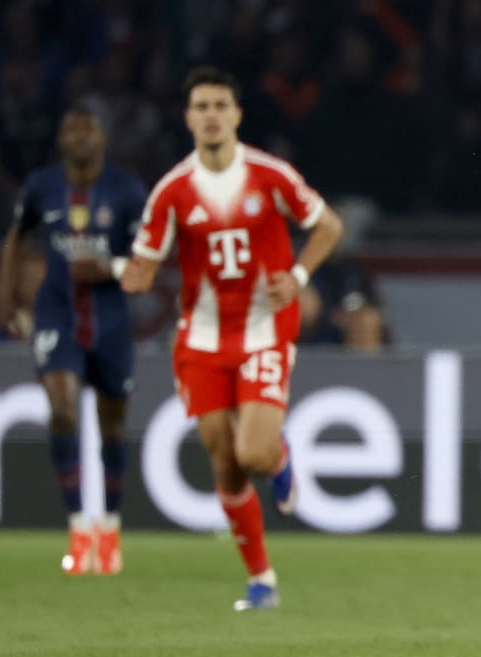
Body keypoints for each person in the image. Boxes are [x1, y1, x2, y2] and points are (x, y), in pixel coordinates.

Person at [121, 66, 343, 611]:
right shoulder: (172, 192)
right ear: (188, 117)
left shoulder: (269, 176)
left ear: (237, 115)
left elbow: (328, 226)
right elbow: (142, 270)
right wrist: (126, 274)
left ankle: (279, 453)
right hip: (200, 339)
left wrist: (297, 276)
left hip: (265, 329)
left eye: (221, 104)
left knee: (253, 451)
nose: (212, 114)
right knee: (223, 462)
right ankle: (261, 580)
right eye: (201, 106)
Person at [0, 105, 148, 576]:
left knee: (113, 428)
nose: (80, 137)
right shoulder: (42, 186)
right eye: (70, 129)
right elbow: (17, 237)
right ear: (60, 140)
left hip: (110, 319)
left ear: (103, 138)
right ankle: (80, 528)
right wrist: (5, 299)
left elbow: (150, 258)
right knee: (63, 410)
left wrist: (111, 269)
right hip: (56, 312)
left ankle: (111, 530)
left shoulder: (127, 191)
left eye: (88, 129)